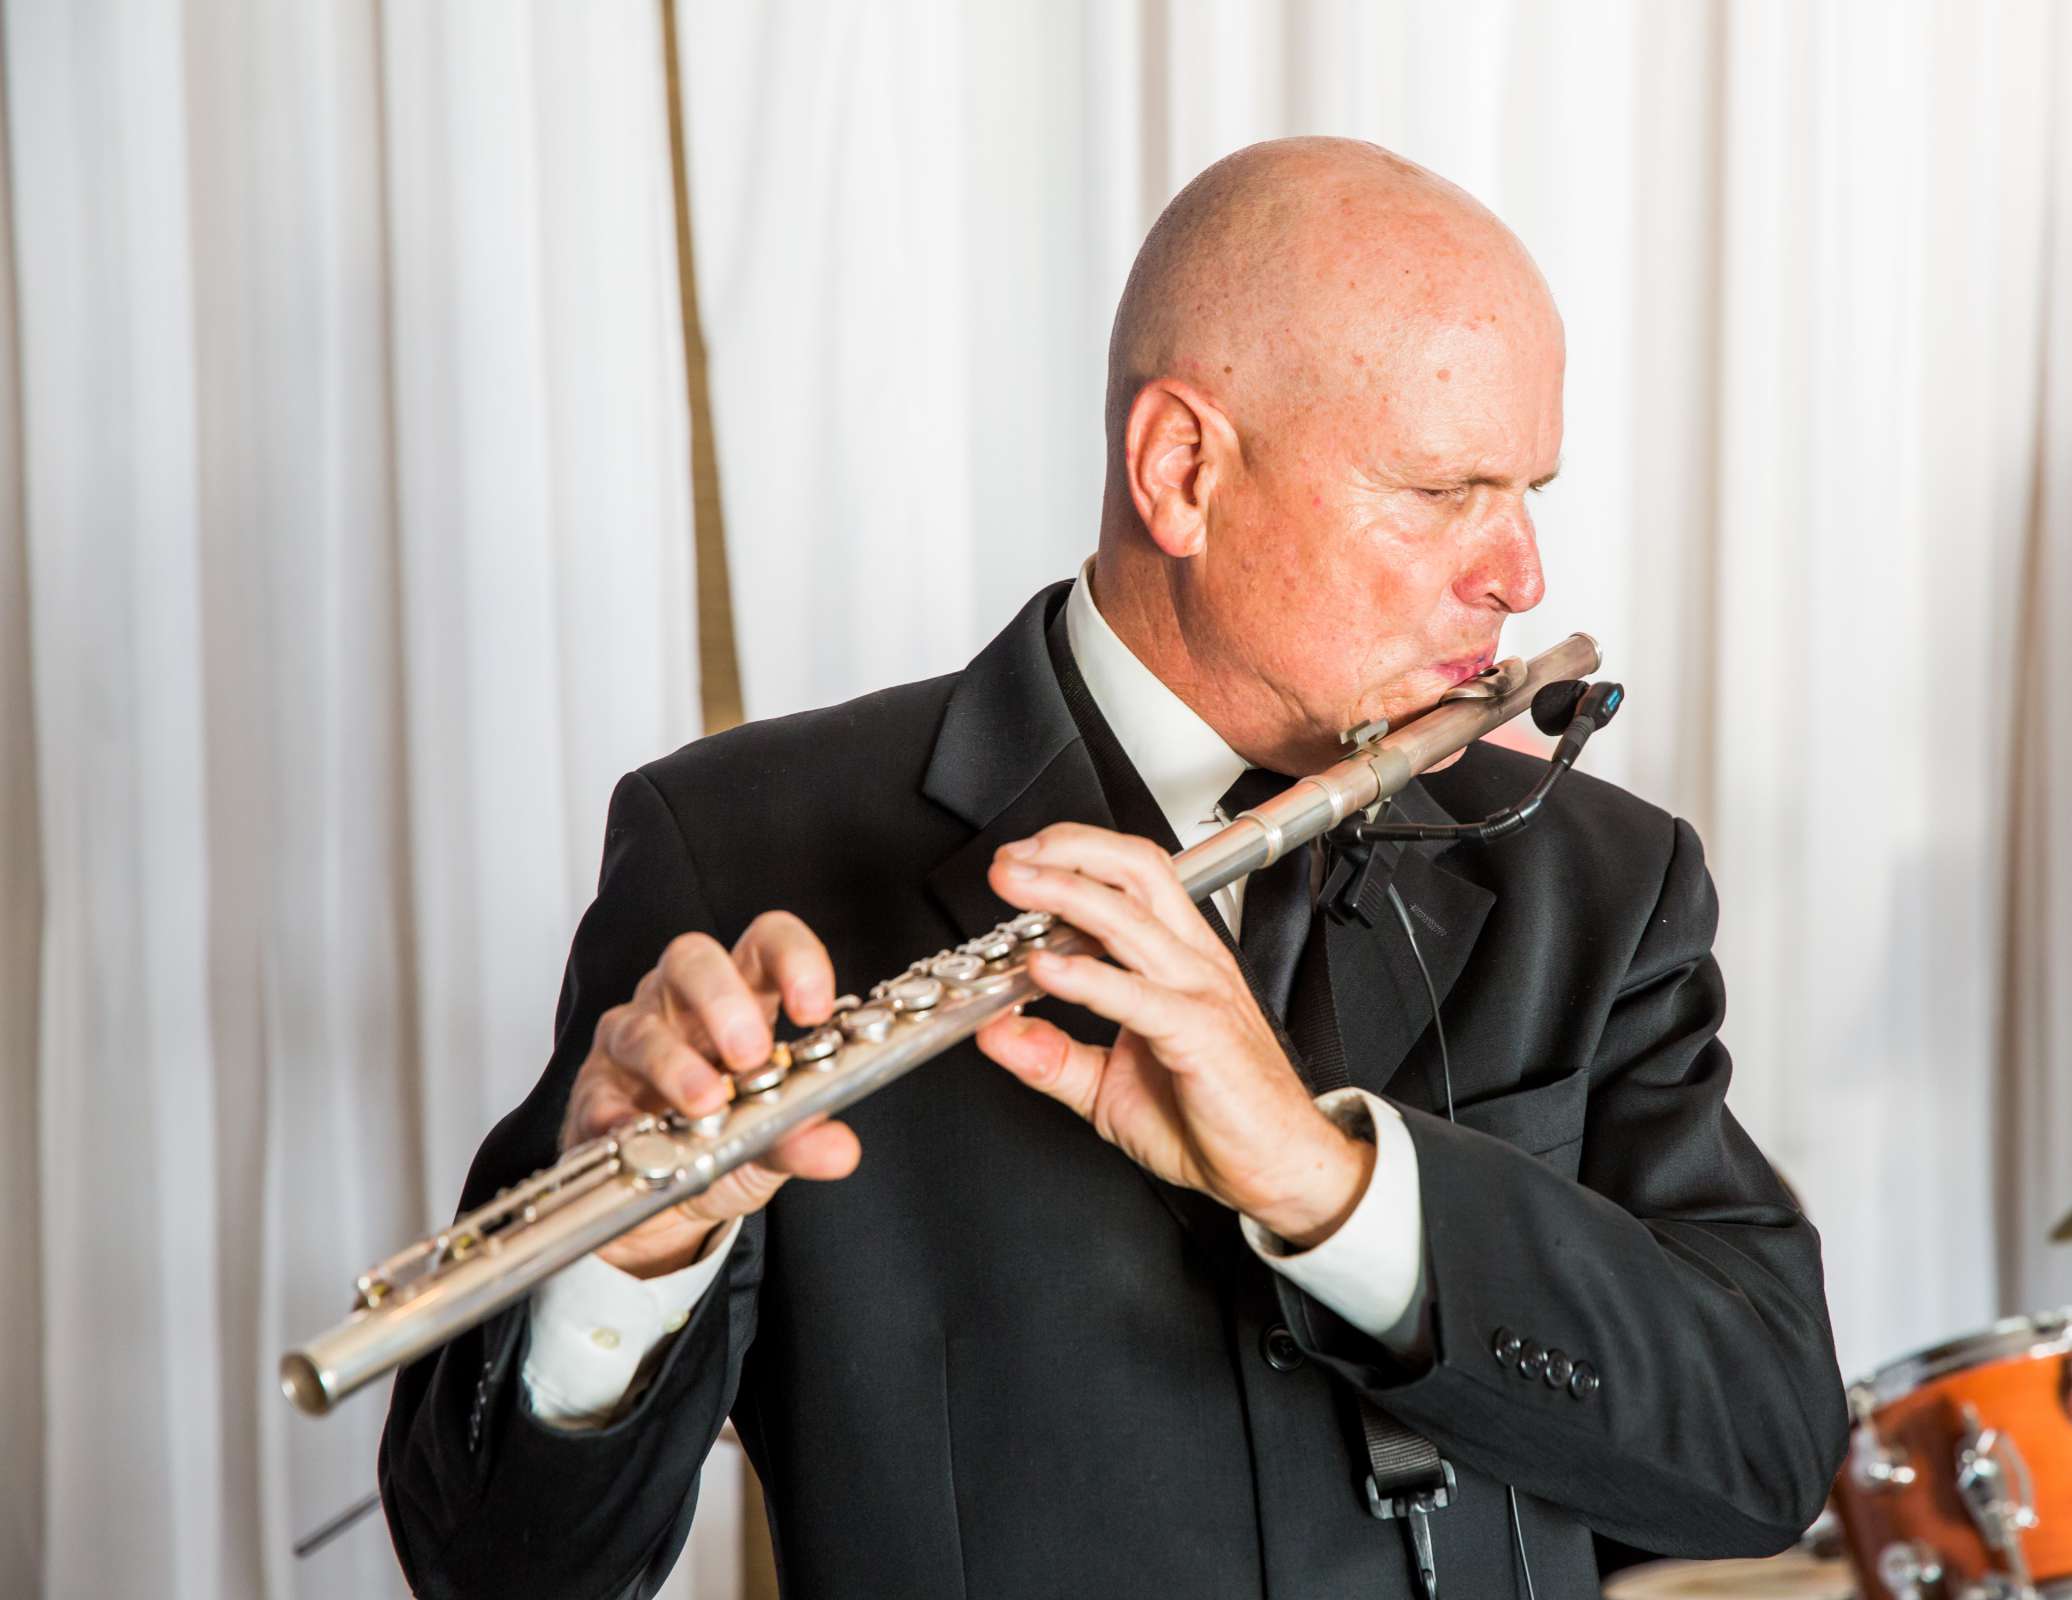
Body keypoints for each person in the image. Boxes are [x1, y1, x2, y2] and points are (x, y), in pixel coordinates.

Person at [381, 136, 1847, 1600]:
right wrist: (629, 1269)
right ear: (1183, 469)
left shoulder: (1596, 882)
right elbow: (499, 1574)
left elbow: (1764, 1450)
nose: (1519, 577)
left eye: (1528, 488)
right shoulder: (750, 853)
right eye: (1443, 491)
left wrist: (1336, 1189)